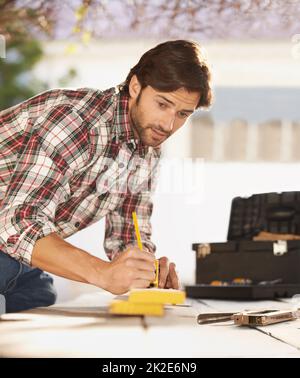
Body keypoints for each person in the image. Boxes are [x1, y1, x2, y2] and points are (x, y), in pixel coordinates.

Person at [0, 40, 212, 313]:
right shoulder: (76, 121)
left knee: (39, 294)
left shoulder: (147, 149)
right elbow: (17, 224)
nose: (168, 124)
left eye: (183, 114)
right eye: (162, 104)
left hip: (12, 257)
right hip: (7, 240)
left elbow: (128, 235)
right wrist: (102, 273)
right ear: (135, 86)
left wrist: (146, 275)